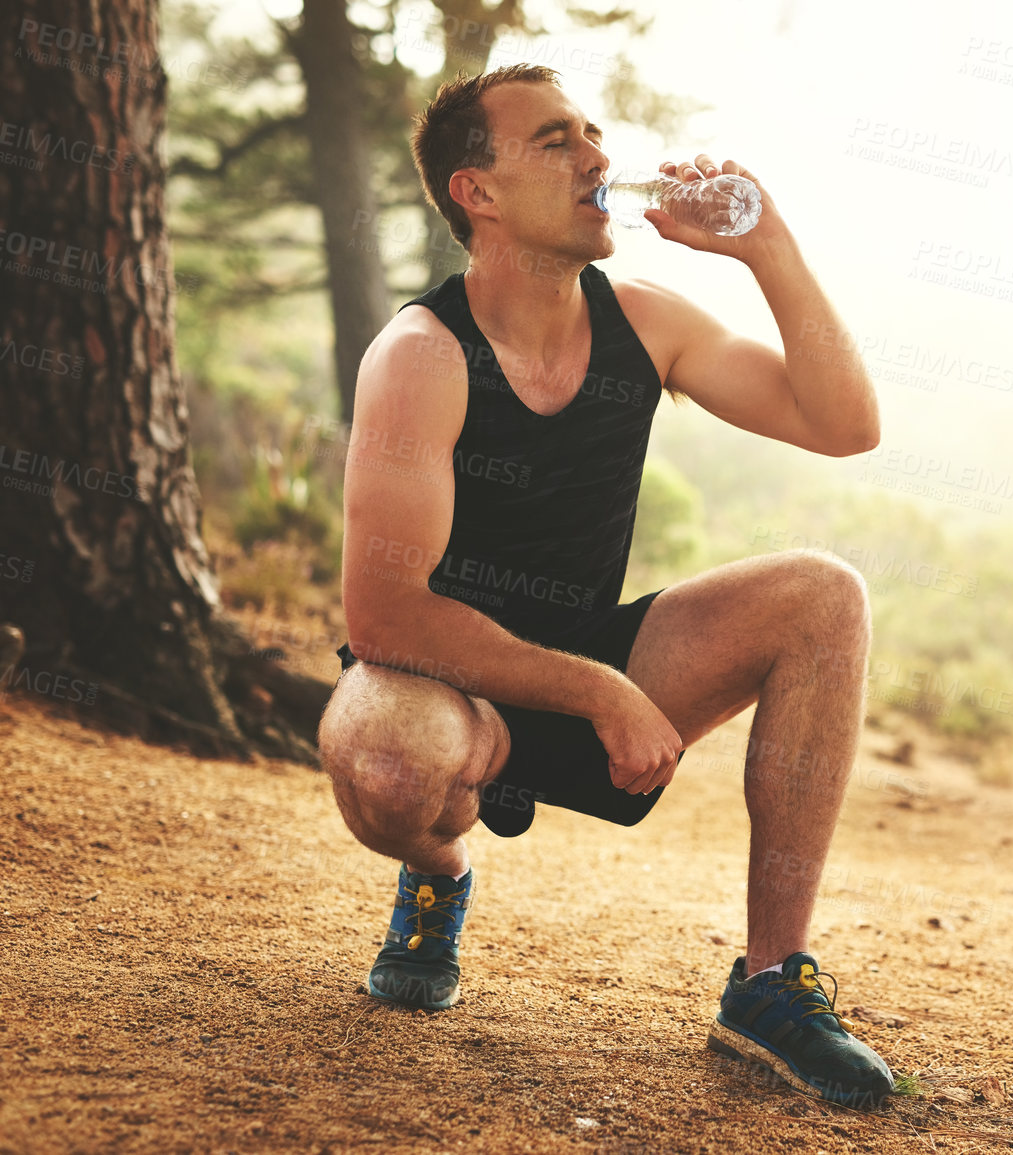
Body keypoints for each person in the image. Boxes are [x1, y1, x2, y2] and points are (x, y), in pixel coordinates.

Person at [315, 63, 891, 1107]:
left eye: (592, 134)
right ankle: (441, 876)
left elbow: (844, 425)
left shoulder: (645, 321)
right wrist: (600, 692)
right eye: (554, 140)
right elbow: (385, 615)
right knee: (398, 767)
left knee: (825, 595)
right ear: (476, 193)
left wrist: (767, 248)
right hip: (449, 689)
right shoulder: (420, 354)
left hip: (599, 657)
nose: (597, 157)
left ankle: (769, 984)